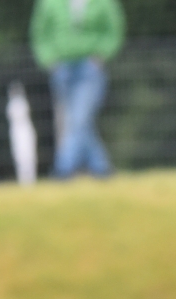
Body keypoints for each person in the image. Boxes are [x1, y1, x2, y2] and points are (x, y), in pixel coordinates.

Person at [32, 0, 124, 180]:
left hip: (90, 68)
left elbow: (114, 29)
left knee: (78, 120)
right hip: (61, 69)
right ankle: (102, 169)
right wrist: (49, 60)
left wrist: (101, 55)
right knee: (79, 122)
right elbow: (39, 33)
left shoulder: (104, 3)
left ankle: (63, 170)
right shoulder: (48, 3)